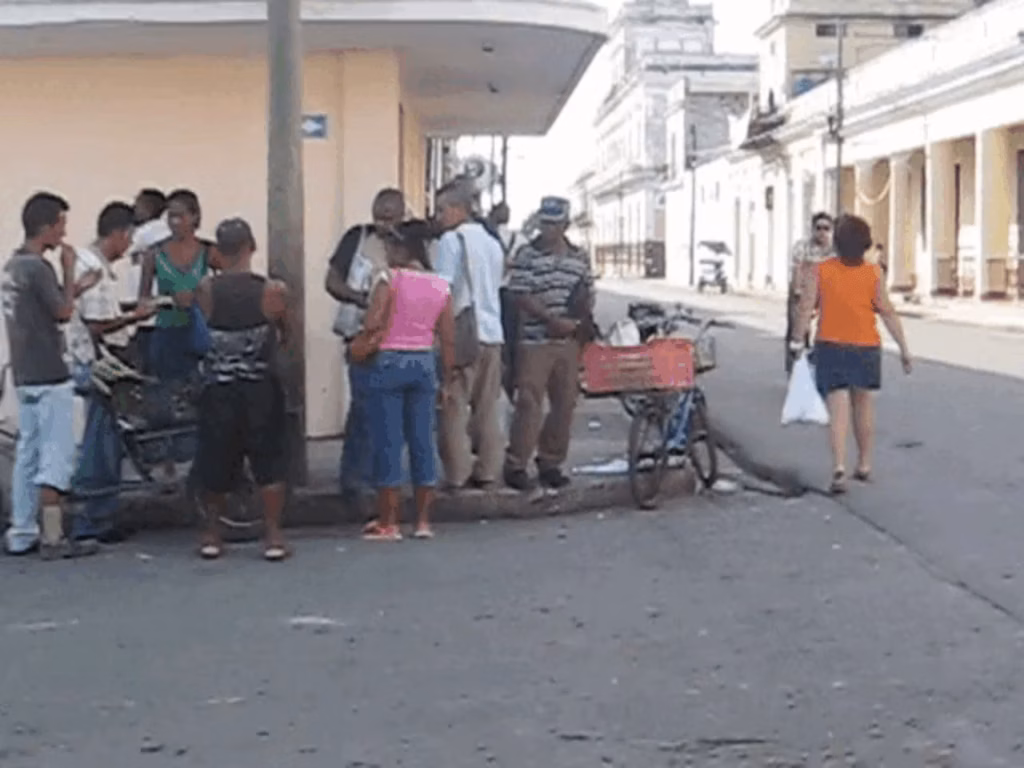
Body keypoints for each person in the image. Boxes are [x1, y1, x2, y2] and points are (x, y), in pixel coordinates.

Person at [2, 193, 102, 558]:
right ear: (45, 227)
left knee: (27, 454)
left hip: (25, 373)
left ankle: (22, 531)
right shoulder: (39, 267)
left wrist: (76, 287)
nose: (63, 233)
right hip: (50, 374)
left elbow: (48, 303)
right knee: (55, 454)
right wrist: (70, 269)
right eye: (60, 224)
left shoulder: (13, 267)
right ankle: (53, 536)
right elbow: (62, 312)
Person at [790, 214, 912, 495]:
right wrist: (904, 348)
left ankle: (839, 467)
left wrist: (797, 339)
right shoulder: (873, 273)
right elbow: (887, 312)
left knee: (838, 408)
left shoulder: (820, 270)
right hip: (866, 345)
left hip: (830, 345)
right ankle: (865, 463)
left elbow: (805, 308)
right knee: (864, 405)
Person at [194, 218, 291, 561]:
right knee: (269, 461)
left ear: (218, 251)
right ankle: (273, 536)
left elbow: (205, 325)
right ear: (252, 247)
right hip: (259, 386)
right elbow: (285, 333)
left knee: (215, 460)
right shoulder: (273, 290)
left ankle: (212, 535)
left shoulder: (206, 289)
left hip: (218, 386)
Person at [68, 202, 158, 543]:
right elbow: (97, 325)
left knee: (108, 440)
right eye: (129, 238)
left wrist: (131, 308)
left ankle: (101, 514)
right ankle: (92, 519)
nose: (129, 245)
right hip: (94, 364)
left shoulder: (91, 263)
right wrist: (136, 317)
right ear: (120, 233)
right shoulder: (93, 269)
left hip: (92, 361)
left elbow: (102, 312)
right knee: (101, 444)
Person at [361, 220, 455, 541]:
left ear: (401, 249)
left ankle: (389, 522)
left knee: (388, 441)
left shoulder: (390, 279)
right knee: (422, 441)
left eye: (390, 245)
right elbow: (448, 338)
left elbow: (373, 322)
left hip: (389, 360)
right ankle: (423, 521)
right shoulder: (440, 286)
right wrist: (447, 380)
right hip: (425, 362)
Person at [503, 196, 594, 491]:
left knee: (564, 404)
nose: (548, 229)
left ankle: (550, 462)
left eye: (554, 224)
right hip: (535, 341)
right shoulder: (528, 255)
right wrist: (549, 319)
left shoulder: (579, 258)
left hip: (568, 341)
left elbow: (587, 292)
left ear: (565, 225)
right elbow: (519, 294)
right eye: (544, 223)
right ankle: (517, 463)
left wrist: (576, 323)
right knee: (529, 403)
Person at [325, 188, 405, 507]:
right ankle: (356, 480)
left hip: (398, 338)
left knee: (390, 410)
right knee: (364, 407)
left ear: (402, 215)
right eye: (379, 216)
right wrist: (362, 299)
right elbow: (332, 281)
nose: (384, 223)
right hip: (360, 334)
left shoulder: (409, 244)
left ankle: (379, 478)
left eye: (391, 217)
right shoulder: (357, 238)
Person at [433, 179, 506, 490]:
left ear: (458, 209)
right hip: (492, 332)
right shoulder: (492, 243)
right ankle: (488, 470)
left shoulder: (451, 242)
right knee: (487, 406)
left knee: (453, 405)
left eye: (441, 210)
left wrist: (441, 336)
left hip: (463, 331)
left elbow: (443, 293)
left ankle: (457, 473)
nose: (438, 217)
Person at [138, 188, 213, 383]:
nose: (174, 222)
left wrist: (198, 297)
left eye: (180, 216)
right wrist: (168, 300)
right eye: (171, 217)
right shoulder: (154, 254)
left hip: (201, 332)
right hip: (167, 333)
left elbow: (224, 287)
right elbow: (143, 300)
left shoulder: (209, 251)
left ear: (195, 217)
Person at [125, 188, 171, 367]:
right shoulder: (165, 230)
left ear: (150, 208)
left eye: (138, 205)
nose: (133, 208)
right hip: (155, 311)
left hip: (149, 314)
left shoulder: (149, 231)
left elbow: (124, 246)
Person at [787, 212, 833, 374]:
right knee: (797, 329)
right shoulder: (802, 247)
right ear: (812, 229)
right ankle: (794, 365)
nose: (822, 232)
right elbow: (797, 269)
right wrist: (797, 290)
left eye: (826, 228)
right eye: (818, 228)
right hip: (804, 290)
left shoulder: (834, 250)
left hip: (825, 292)